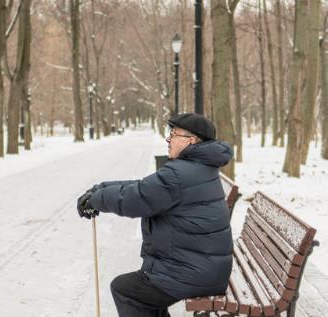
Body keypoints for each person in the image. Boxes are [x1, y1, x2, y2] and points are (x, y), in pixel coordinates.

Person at [77, 113, 233, 317]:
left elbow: (136, 199)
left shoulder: (179, 174)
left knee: (126, 290)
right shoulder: (195, 168)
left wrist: (95, 200)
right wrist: (100, 189)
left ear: (191, 140)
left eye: (174, 134)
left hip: (193, 272)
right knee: (143, 294)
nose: (168, 139)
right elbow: (144, 187)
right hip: (201, 268)